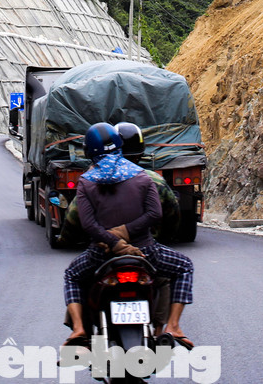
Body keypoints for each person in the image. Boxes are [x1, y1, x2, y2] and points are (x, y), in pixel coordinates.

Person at [61, 122, 195, 350]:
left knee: (72, 275)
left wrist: (114, 241)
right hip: (146, 252)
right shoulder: (143, 177)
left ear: (89, 151)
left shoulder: (86, 181)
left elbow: (88, 224)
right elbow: (155, 213)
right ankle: (173, 326)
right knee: (184, 266)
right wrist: (127, 235)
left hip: (100, 255)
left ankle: (79, 329)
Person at [60, 121, 181, 245]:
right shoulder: (147, 177)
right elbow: (167, 213)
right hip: (145, 246)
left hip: (102, 248)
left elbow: (77, 219)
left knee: (76, 265)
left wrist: (65, 240)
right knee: (184, 264)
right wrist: (164, 240)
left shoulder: (89, 180)